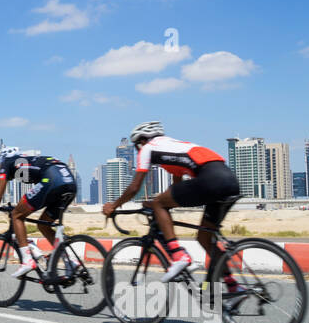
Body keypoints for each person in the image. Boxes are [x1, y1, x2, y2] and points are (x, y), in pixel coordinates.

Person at [102, 121, 244, 293]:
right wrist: (160, 204)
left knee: (159, 203)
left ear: (142, 141)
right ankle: (233, 286)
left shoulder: (148, 148)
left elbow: (134, 187)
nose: (138, 149)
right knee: (205, 238)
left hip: (211, 180)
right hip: (230, 182)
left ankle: (178, 255)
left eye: (137, 146)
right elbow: (175, 190)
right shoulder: (175, 146)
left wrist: (114, 205)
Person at [0, 147, 77, 277]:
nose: (0, 167)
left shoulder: (8, 162)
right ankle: (70, 262)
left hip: (51, 181)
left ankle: (27, 261)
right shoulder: (29, 162)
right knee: (44, 225)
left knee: (16, 216)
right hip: (70, 184)